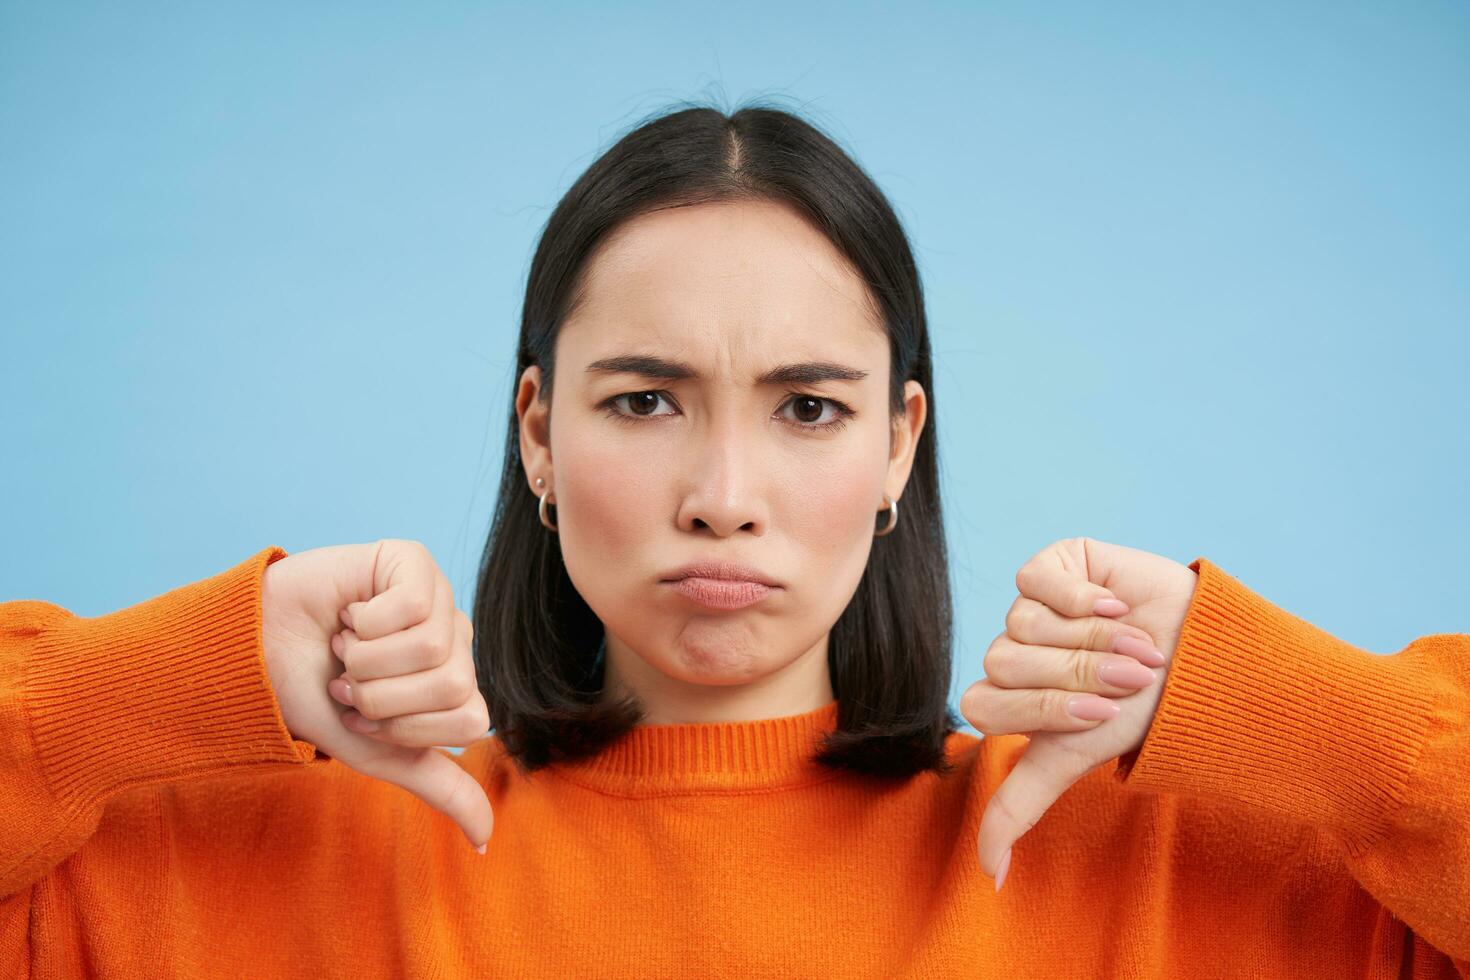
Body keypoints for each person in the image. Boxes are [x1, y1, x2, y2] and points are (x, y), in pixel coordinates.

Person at [3, 102, 1467, 979]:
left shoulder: (1155, 868)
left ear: (899, 443)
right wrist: (133, 690)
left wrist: (1308, 722)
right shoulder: (258, 861)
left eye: (807, 409)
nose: (721, 490)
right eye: (644, 400)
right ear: (536, 436)